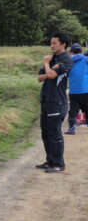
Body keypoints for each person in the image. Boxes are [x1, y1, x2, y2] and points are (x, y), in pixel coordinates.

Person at [36, 32, 74, 173]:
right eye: (51, 43)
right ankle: (50, 161)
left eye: (54, 43)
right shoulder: (52, 58)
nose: (51, 45)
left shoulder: (66, 60)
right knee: (45, 133)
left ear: (63, 44)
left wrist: (46, 64)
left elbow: (51, 75)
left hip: (57, 101)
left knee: (54, 133)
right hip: (46, 99)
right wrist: (48, 69)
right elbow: (39, 78)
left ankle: (59, 164)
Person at [66, 43, 88, 135]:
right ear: (81, 51)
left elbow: (65, 75)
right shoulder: (86, 59)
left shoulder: (68, 61)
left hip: (74, 91)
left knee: (73, 110)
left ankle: (72, 129)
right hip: (86, 89)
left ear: (71, 52)